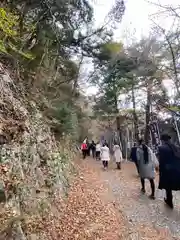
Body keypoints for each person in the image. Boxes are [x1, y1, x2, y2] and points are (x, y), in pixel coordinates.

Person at [158, 134, 180, 209]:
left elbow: (161, 161)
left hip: (167, 171)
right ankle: (169, 201)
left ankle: (170, 202)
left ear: (163, 140)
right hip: (177, 170)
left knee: (168, 187)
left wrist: (160, 170)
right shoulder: (176, 147)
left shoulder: (162, 148)